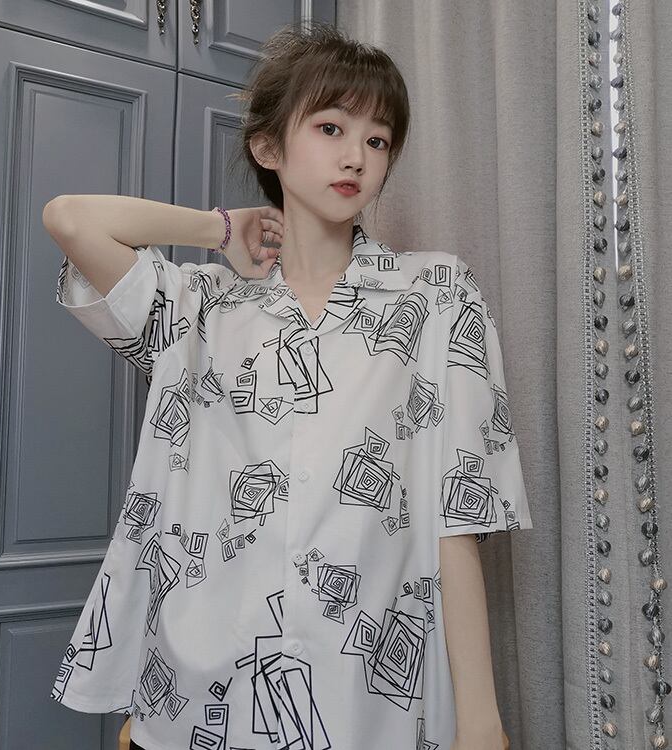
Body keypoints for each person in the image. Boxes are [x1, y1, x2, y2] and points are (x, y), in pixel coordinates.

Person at [43, 20, 530, 750]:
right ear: (268, 148)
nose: (356, 156)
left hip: (364, 708)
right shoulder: (201, 308)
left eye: (377, 140)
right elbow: (70, 219)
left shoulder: (436, 297)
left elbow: (458, 514)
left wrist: (481, 720)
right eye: (331, 128)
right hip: (194, 700)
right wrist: (217, 230)